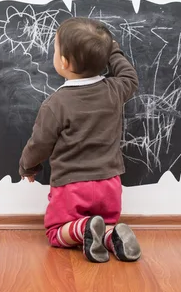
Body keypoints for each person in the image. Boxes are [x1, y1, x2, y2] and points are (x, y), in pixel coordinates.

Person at [19, 17, 141, 263]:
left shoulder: (56, 104)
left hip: (71, 185)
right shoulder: (114, 90)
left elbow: (39, 143)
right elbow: (130, 76)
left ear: (63, 61)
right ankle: (110, 235)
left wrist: (28, 166)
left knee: (56, 233)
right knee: (105, 223)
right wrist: (113, 50)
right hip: (110, 182)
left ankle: (83, 228)